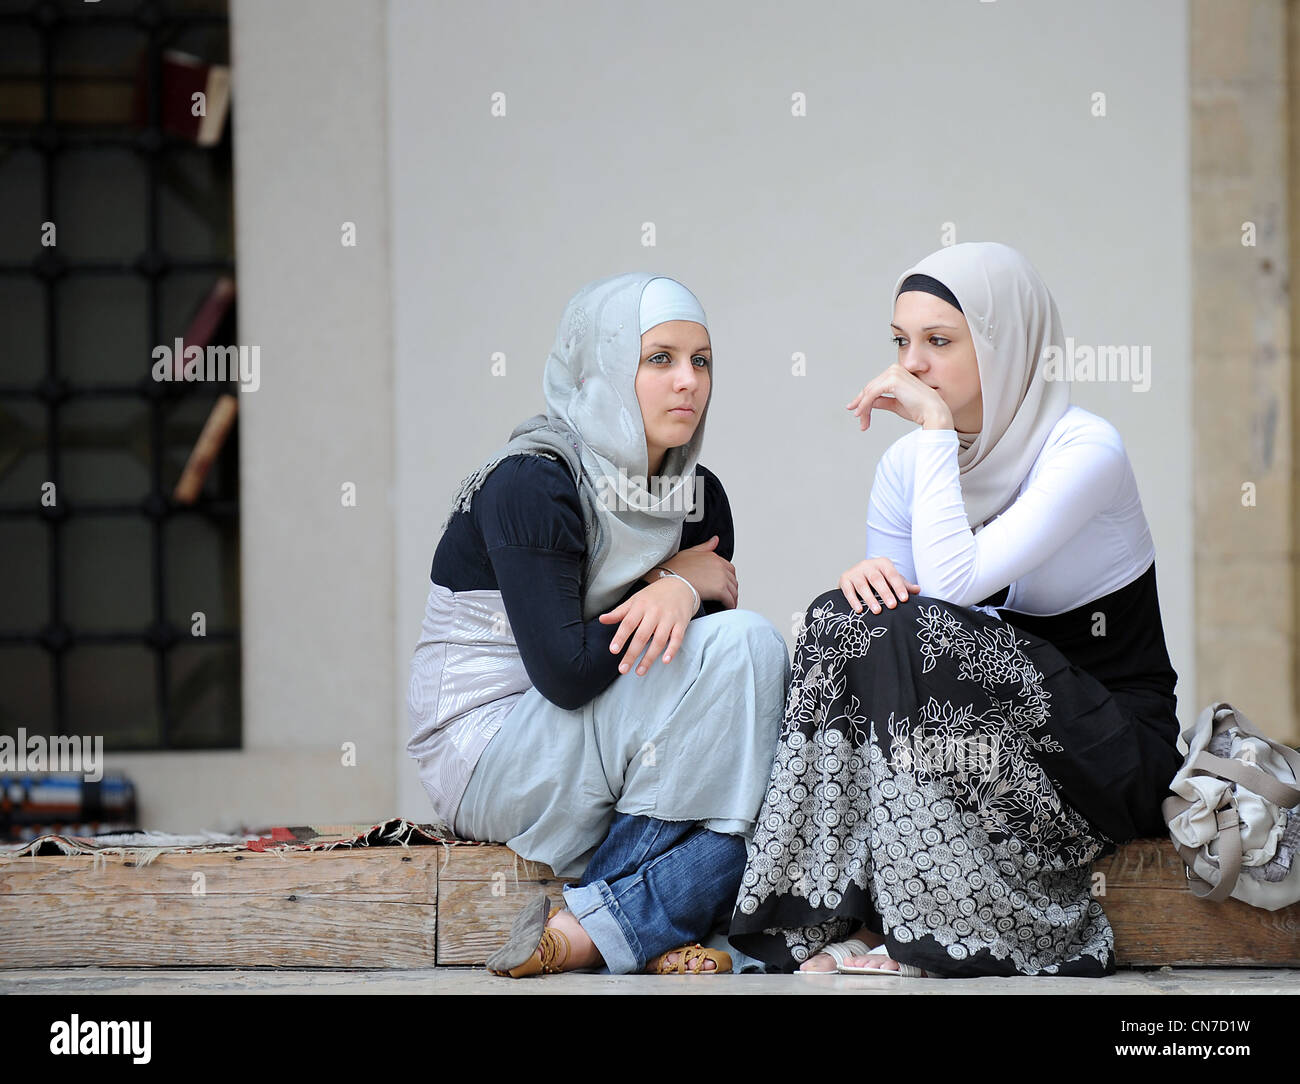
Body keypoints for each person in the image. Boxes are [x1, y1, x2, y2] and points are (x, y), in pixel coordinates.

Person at [727, 241, 1183, 978]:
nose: (911, 366)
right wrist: (869, 585)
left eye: (939, 342)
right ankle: (839, 914)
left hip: (1107, 752)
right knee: (838, 617)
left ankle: (931, 929)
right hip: (984, 740)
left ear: (1007, 349)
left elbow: (950, 592)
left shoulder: (1085, 450)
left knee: (909, 627)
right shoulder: (908, 468)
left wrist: (936, 434)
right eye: (901, 342)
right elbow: (897, 652)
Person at [406, 272, 790, 977]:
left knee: (764, 772)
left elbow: (708, 713)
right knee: (745, 651)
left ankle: (590, 925)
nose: (688, 383)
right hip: (490, 748)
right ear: (604, 368)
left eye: (700, 361)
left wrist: (675, 588)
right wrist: (674, 581)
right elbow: (567, 674)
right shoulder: (532, 482)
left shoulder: (697, 499)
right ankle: (643, 920)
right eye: (659, 359)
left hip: (604, 744)